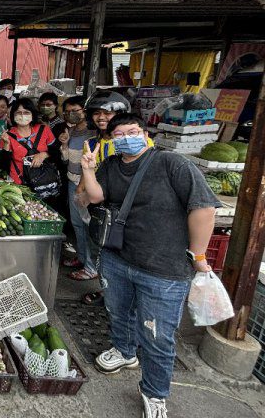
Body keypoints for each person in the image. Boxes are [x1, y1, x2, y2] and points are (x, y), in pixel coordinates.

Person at [80, 113, 218, 418]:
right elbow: (95, 196)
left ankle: (155, 393)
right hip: (118, 258)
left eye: (132, 131)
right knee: (118, 313)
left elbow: (204, 208)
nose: (125, 138)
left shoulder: (171, 164)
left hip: (163, 269)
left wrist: (198, 256)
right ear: (112, 140)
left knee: (157, 337)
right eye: (118, 135)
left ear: (145, 134)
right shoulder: (111, 165)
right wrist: (88, 170)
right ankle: (124, 352)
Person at [77, 90, 154, 305]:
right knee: (105, 250)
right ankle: (108, 291)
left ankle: (128, 297)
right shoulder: (91, 144)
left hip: (132, 208)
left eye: (108, 113)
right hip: (103, 205)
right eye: (97, 113)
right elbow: (88, 171)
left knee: (130, 253)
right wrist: (81, 191)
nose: (101, 118)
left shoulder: (139, 141)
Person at [57, 96, 97, 281]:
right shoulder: (70, 132)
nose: (71, 114)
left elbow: (92, 165)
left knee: (88, 226)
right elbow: (66, 160)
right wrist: (64, 144)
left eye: (75, 110)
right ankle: (82, 258)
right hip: (72, 182)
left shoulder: (93, 134)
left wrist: (82, 187)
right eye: (67, 111)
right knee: (78, 224)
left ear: (85, 111)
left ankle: (91, 267)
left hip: (86, 186)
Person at [0, 98, 56, 186]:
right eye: (19, 113)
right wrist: (6, 144)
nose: (22, 116)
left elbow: (56, 152)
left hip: (45, 181)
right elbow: (3, 166)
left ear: (33, 114)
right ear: (13, 115)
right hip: (20, 183)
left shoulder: (44, 129)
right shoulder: (7, 136)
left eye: (26, 112)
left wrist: (44, 154)